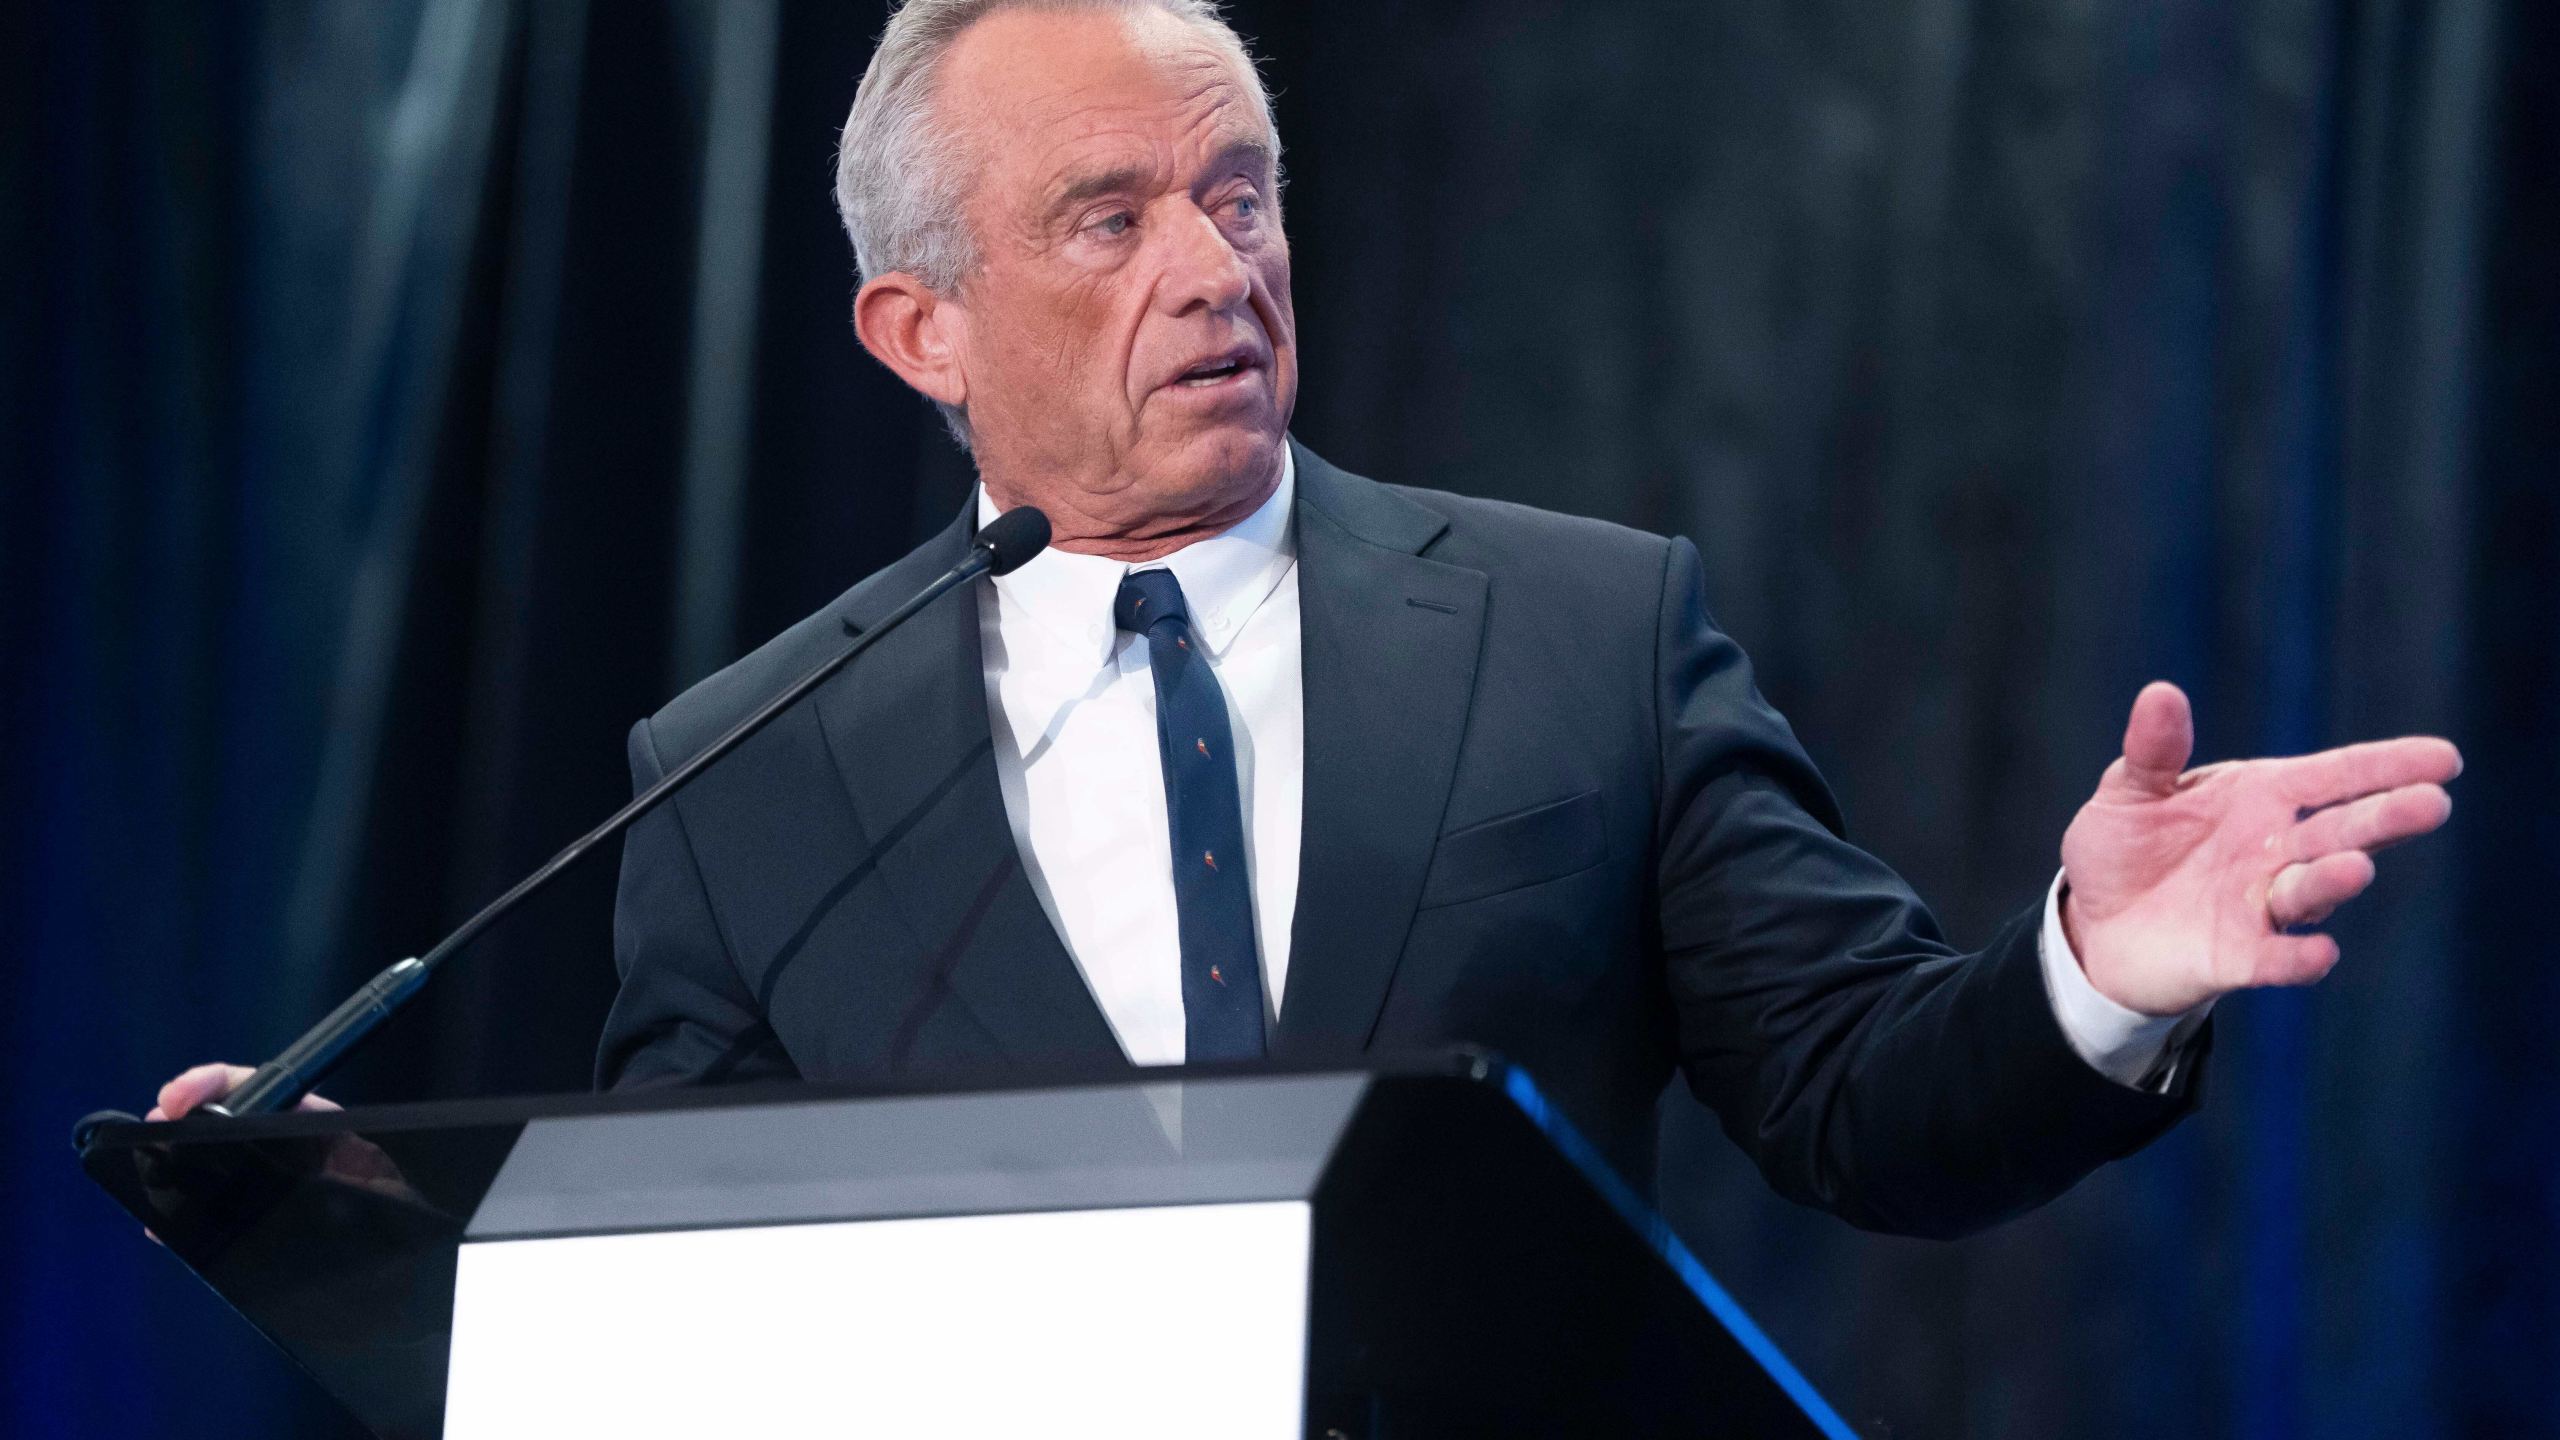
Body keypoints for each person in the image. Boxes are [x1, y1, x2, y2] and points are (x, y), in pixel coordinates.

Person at [154, 0, 2460, 1237]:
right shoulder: (751, 763)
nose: (1212, 267)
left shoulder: (1582, 634)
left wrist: (2084, 977)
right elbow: (709, 1283)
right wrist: (379, 1236)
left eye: (1235, 191)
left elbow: (1871, 1110)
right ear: (914, 331)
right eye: (1105, 218)